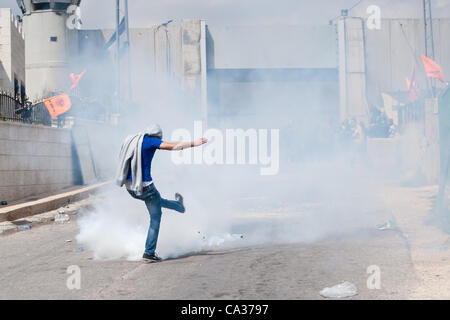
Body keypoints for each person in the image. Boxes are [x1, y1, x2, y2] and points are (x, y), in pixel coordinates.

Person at [115, 124, 208, 262]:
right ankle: (149, 252)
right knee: (155, 217)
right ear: (157, 136)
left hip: (130, 188)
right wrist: (194, 143)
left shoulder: (134, 139)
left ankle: (179, 205)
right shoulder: (152, 141)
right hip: (146, 188)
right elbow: (171, 146)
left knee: (158, 202)